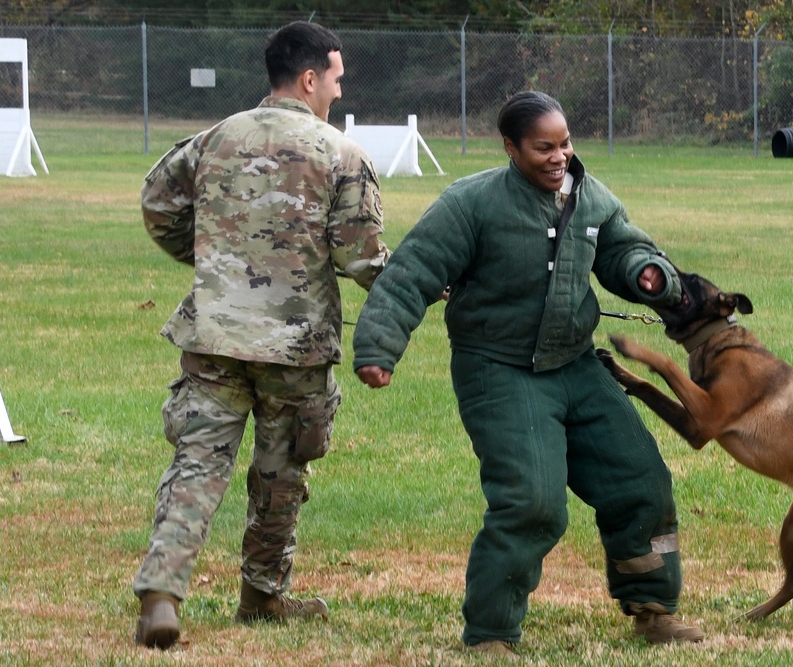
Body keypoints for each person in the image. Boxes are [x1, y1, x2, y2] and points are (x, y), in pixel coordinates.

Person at [352, 90, 703, 656]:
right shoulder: (472, 203)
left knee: (641, 480)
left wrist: (650, 274)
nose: (559, 156)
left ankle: (653, 607)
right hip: (499, 369)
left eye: (564, 143)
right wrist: (378, 347)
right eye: (543, 147)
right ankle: (491, 633)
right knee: (532, 502)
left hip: (575, 363)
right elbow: (413, 272)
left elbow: (624, 248)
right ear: (511, 148)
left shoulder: (589, 198)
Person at [133, 21, 390, 650]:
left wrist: (216, 262)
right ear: (309, 78)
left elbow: (158, 205)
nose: (338, 88)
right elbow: (361, 260)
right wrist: (419, 284)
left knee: (197, 464)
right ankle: (262, 594)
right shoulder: (342, 154)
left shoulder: (217, 136)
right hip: (296, 348)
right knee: (281, 472)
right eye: (335, 77)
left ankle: (163, 594)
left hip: (214, 336)